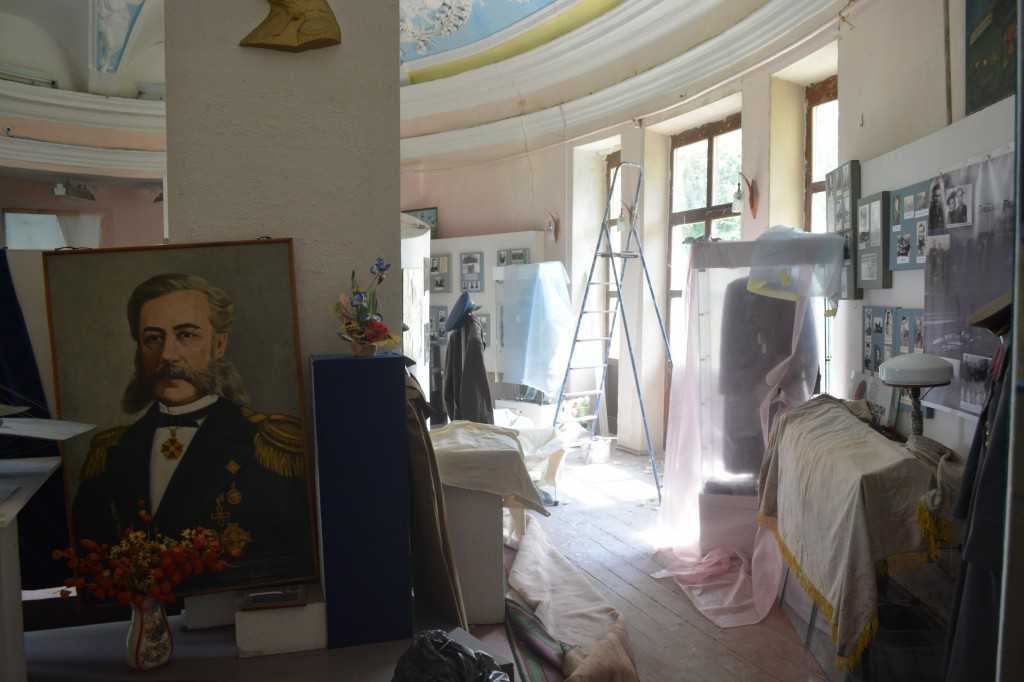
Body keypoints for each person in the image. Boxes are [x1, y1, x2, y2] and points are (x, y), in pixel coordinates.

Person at [73, 274, 312, 585]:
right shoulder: (109, 453)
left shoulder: (270, 448)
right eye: (153, 338)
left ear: (219, 344)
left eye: (186, 335)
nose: (167, 354)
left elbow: (293, 562)